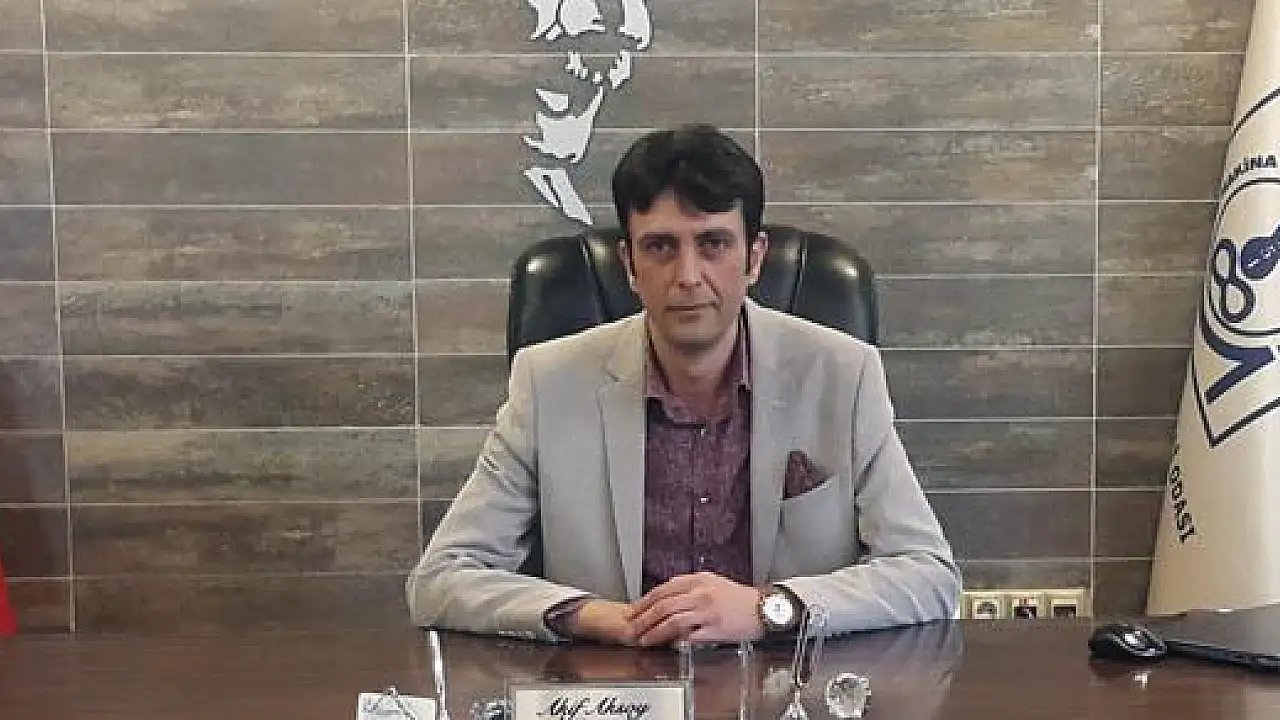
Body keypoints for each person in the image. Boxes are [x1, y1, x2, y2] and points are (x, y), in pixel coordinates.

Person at [406, 124, 960, 646]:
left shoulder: (843, 374)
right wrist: (599, 617)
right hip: (617, 687)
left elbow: (929, 573)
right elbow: (441, 578)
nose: (689, 277)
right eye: (661, 247)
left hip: (785, 685)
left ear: (754, 259)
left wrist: (769, 609)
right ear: (629, 264)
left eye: (713, 244)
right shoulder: (548, 383)